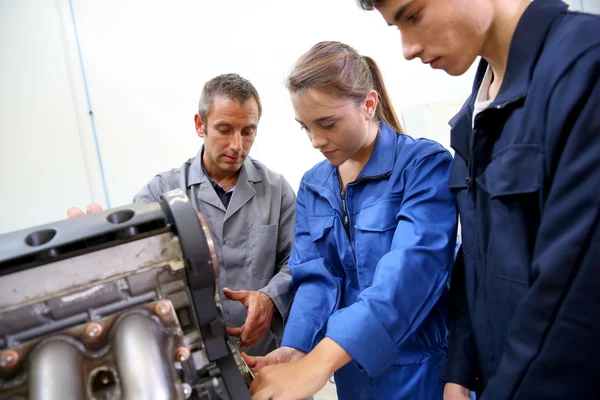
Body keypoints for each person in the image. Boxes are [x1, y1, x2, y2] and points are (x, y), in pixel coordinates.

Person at [358, 0, 600, 398]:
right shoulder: (474, 116)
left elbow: (571, 307)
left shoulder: (584, 70)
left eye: (413, 15)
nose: (407, 48)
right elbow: (476, 260)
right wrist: (460, 371)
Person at [244, 41, 457, 400]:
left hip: (420, 376)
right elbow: (315, 277)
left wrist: (317, 364)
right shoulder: (315, 184)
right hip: (352, 379)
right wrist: (297, 348)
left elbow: (410, 274)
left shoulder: (422, 166)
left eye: (326, 124)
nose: (315, 141)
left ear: (369, 104)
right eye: (305, 127)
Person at [68, 73, 296, 357]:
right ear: (200, 125)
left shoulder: (277, 190)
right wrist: (93, 242)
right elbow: (130, 258)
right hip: (196, 354)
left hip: (269, 352)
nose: (237, 145)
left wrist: (270, 297)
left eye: (247, 131)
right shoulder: (161, 193)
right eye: (224, 129)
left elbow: (299, 261)